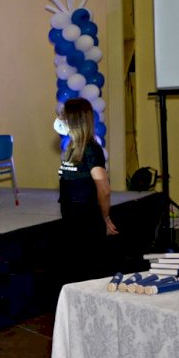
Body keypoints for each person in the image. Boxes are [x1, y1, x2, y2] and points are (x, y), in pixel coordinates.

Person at [57, 98, 118, 278]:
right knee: (74, 266)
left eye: (63, 115)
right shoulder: (71, 147)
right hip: (70, 212)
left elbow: (104, 189)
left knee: (88, 268)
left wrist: (104, 216)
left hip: (84, 214)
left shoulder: (91, 149)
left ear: (73, 119)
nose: (60, 119)